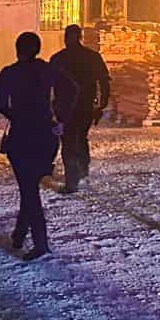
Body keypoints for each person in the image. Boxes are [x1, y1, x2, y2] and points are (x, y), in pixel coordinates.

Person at [0, 31, 78, 261]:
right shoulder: (48, 70)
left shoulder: (9, 73)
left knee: (29, 189)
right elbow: (73, 90)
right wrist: (60, 118)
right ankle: (19, 235)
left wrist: (18, 116)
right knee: (29, 185)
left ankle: (41, 243)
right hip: (45, 136)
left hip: (21, 136)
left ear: (17, 49)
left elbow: (1, 105)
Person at [50, 23, 111, 193]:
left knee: (68, 141)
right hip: (85, 106)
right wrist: (102, 104)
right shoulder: (92, 57)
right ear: (81, 37)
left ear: (65, 38)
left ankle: (72, 180)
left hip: (65, 108)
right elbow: (104, 81)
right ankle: (82, 169)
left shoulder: (58, 59)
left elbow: (48, 86)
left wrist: (50, 109)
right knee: (81, 137)